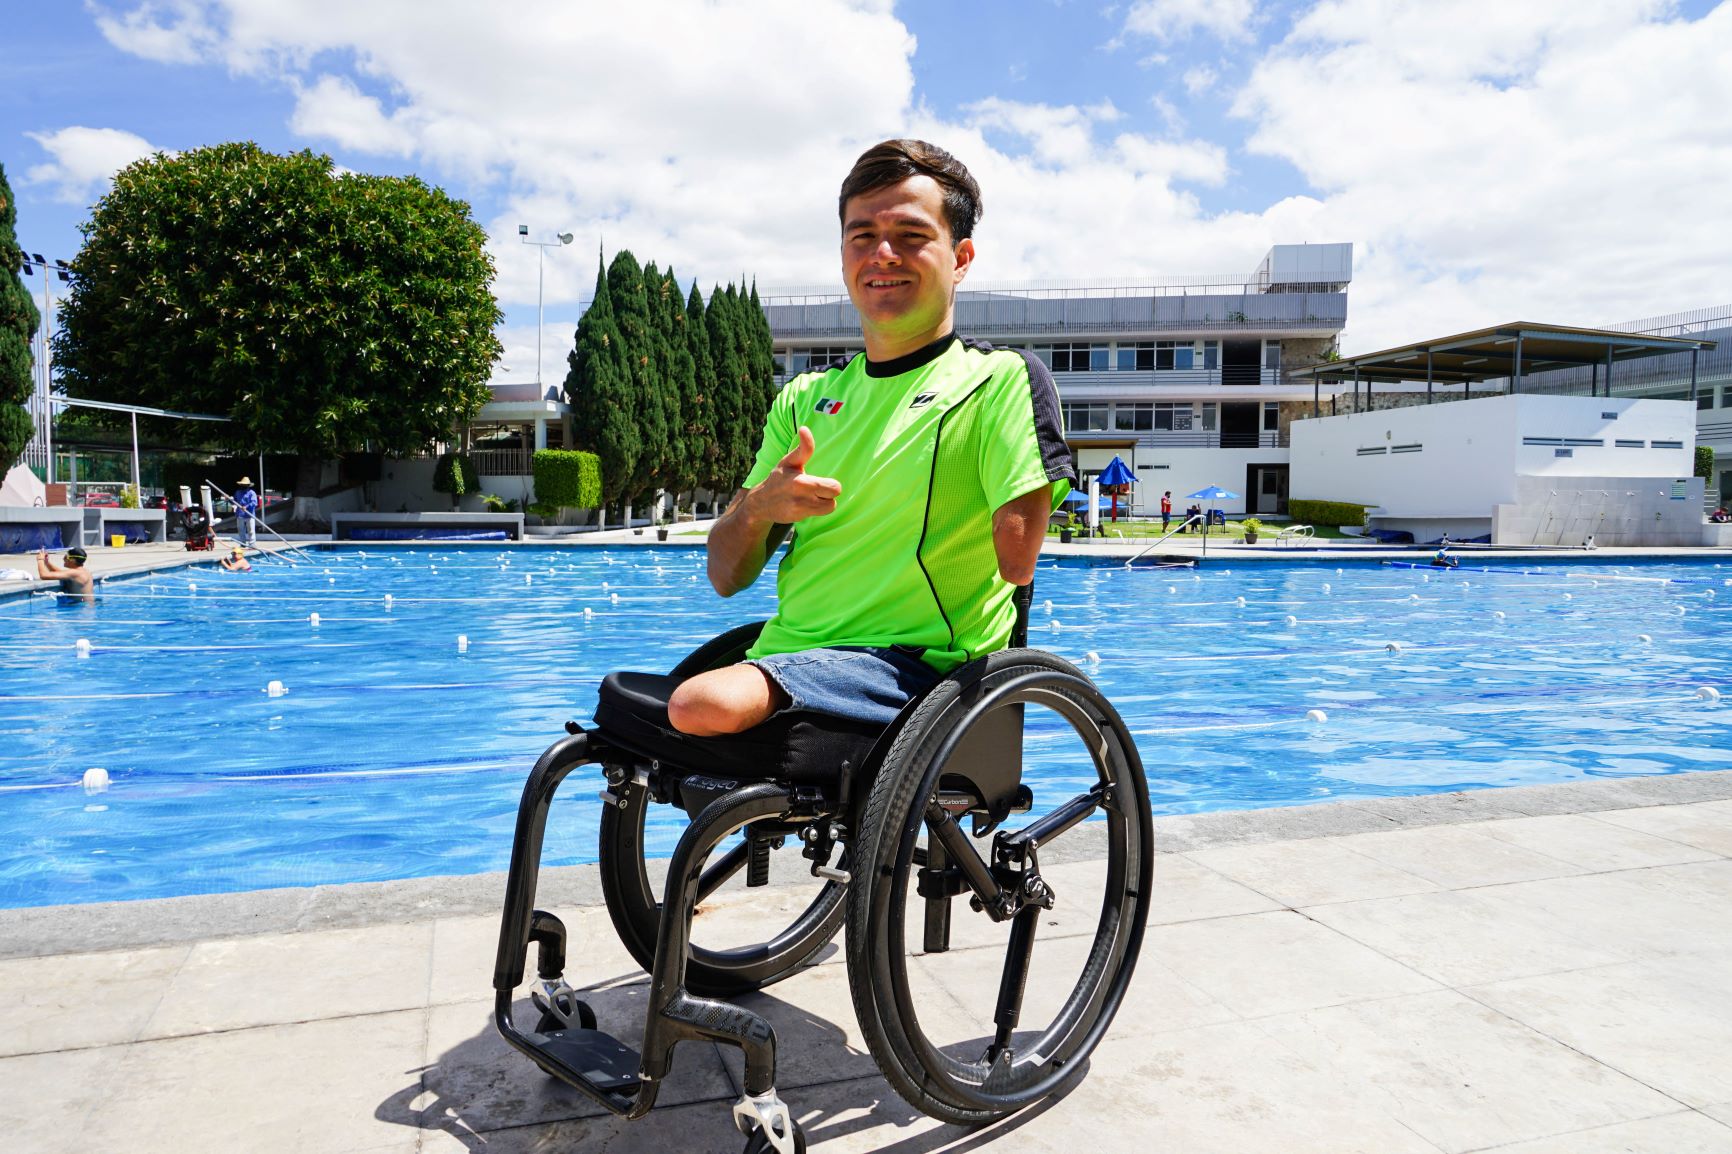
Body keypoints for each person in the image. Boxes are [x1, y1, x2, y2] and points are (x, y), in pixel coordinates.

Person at [667, 139, 1075, 737]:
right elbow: (726, 577)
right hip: (789, 659)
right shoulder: (804, 400)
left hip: (917, 670)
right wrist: (758, 509)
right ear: (842, 256)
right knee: (624, 718)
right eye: (862, 237)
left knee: (699, 705)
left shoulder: (997, 382)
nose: (882, 254)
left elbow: (1017, 564)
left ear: (960, 259)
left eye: (911, 236)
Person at [234, 477, 259, 547]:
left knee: (251, 530)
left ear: (248, 485)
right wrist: (229, 499)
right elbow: (234, 501)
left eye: (245, 484)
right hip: (240, 514)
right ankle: (243, 543)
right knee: (240, 530)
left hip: (249, 514)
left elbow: (254, 503)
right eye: (243, 484)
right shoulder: (238, 492)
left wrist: (246, 506)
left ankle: (252, 544)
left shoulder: (252, 493)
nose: (244, 486)